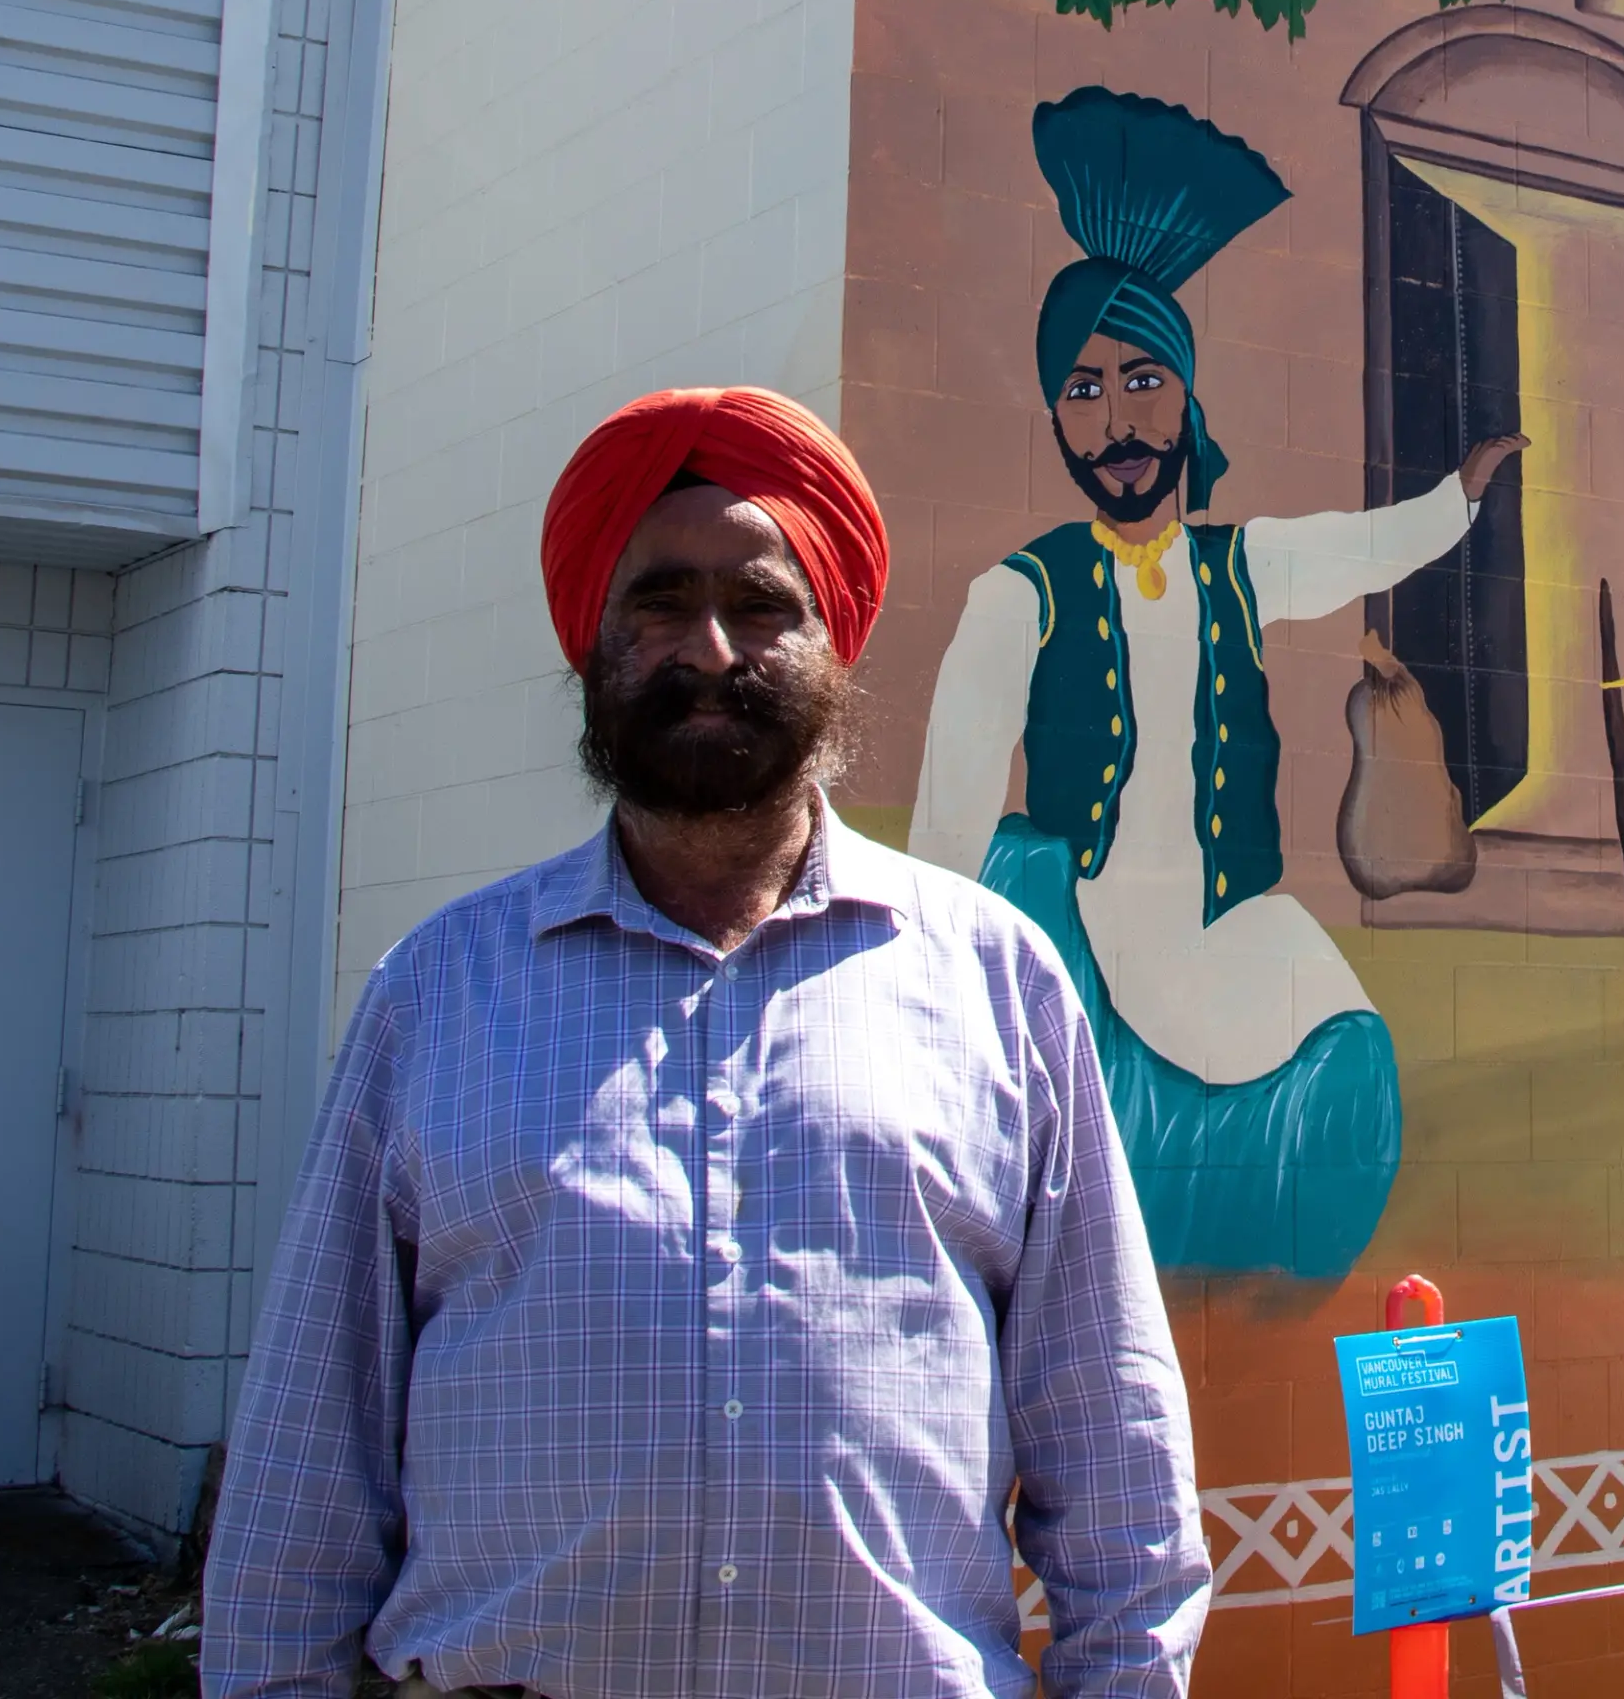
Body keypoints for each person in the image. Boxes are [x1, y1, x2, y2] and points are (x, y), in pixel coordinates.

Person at [205, 388, 1207, 1699]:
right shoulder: (436, 997)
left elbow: (1117, 1464)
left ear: (834, 639)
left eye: (761, 602)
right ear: (593, 643)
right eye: (660, 601)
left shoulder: (995, 985)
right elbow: (301, 1486)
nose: (710, 647)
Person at [915, 86, 1520, 1282]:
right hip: (1080, 933)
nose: (1116, 420)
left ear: (1188, 396)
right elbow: (944, 833)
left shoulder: (1239, 567)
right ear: (1055, 420)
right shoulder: (1017, 598)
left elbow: (1358, 544)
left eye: (1142, 379)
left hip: (1226, 926)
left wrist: (1458, 499)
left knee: (1349, 1070)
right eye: (1081, 391)